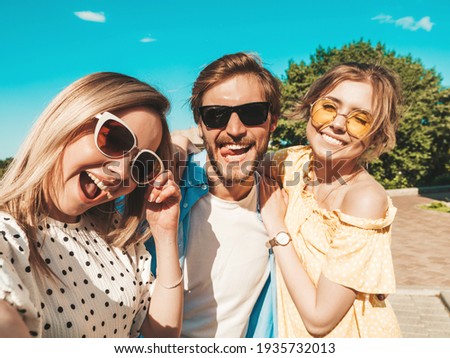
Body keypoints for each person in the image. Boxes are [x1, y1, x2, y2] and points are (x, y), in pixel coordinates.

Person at [0, 72, 183, 338]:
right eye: (116, 139)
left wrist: (165, 233)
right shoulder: (8, 232)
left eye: (141, 164)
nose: (122, 171)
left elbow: (161, 336)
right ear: (67, 120)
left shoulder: (115, 236)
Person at [259, 62, 403, 337]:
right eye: (329, 107)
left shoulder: (364, 199)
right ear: (311, 106)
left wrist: (277, 228)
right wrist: (177, 147)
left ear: (376, 135)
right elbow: (233, 166)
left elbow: (319, 319)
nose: (337, 124)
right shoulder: (292, 161)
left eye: (360, 120)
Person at [147, 52, 282, 337]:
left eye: (253, 112)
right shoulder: (164, 186)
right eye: (216, 115)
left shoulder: (282, 201)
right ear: (200, 123)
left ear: (272, 121)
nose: (234, 129)